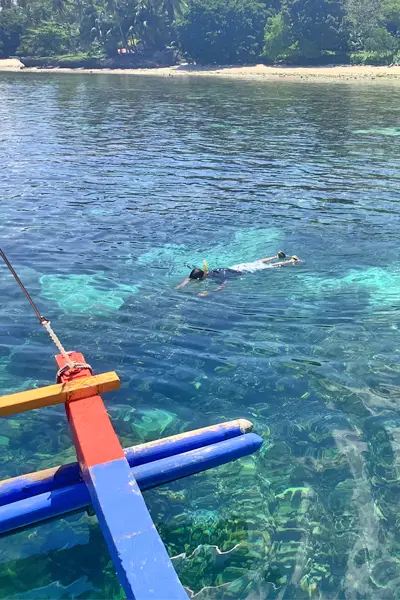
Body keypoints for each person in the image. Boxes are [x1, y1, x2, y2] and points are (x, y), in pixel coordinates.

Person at [176, 251, 300, 294]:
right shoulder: (207, 272)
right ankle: (276, 255)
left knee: (269, 267)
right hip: (238, 266)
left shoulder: (215, 276)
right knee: (257, 261)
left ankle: (291, 260)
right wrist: (183, 284)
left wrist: (209, 292)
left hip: (243, 270)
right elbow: (191, 276)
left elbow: (223, 285)